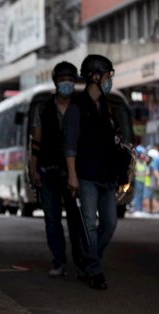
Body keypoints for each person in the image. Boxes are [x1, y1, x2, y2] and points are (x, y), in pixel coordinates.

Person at [64, 54, 119, 290]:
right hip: (86, 176)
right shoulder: (77, 108)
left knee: (110, 223)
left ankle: (88, 260)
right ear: (95, 77)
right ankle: (94, 271)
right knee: (89, 225)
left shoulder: (106, 107)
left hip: (107, 176)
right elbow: (69, 145)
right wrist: (73, 175)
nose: (109, 81)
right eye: (108, 76)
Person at [29, 61, 84, 277]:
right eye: (63, 80)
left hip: (75, 173)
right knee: (52, 219)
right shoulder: (44, 108)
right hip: (48, 170)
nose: (67, 84)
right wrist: (34, 170)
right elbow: (36, 141)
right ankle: (59, 260)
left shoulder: (80, 107)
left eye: (70, 80)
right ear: (56, 82)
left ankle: (81, 262)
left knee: (76, 219)